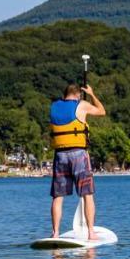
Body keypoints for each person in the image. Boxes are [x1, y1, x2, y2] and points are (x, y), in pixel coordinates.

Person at [49, 82, 106, 239]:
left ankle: (55, 233)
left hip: (60, 155)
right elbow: (102, 111)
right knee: (87, 194)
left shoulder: (54, 106)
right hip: (78, 154)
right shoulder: (82, 105)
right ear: (77, 95)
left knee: (57, 197)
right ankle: (91, 233)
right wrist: (92, 94)